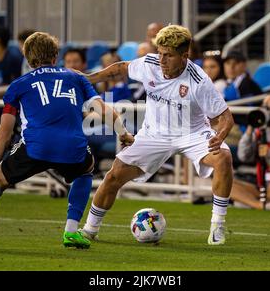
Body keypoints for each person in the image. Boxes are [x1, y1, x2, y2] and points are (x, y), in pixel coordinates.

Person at [0, 32, 134, 250]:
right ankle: (71, 231)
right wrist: (123, 133)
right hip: (71, 147)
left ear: (27, 58)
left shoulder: (18, 85)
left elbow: (4, 132)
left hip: (36, 147)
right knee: (86, 169)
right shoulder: (76, 78)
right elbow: (104, 111)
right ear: (56, 56)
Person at [81, 25, 234, 245]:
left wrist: (220, 136)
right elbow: (120, 68)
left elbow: (226, 117)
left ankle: (217, 227)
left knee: (223, 158)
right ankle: (89, 229)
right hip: (154, 134)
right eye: (160, 53)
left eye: (169, 55)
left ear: (184, 56)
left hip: (192, 133)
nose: (162, 60)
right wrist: (89, 79)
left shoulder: (199, 81)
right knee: (114, 175)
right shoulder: (150, 64)